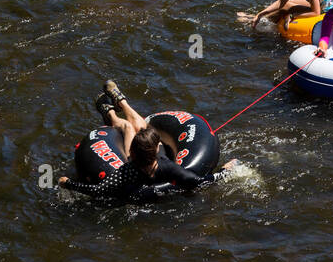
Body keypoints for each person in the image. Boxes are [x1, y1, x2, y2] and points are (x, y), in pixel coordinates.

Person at [58, 81, 237, 201]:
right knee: (134, 127)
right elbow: (199, 181)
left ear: (132, 153)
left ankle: (113, 109)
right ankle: (119, 104)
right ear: (158, 150)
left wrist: (67, 182)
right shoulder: (167, 167)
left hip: (134, 164)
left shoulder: (125, 173)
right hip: (143, 162)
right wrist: (225, 171)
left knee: (129, 128)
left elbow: (97, 190)